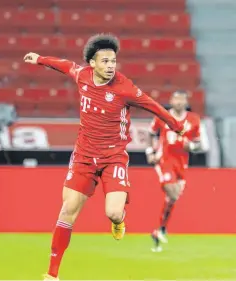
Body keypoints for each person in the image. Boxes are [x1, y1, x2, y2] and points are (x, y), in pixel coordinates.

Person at [23, 33, 185, 281]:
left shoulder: (124, 87)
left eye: (114, 61)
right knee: (67, 210)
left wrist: (175, 125)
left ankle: (119, 220)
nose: (111, 66)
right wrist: (40, 59)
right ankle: (52, 274)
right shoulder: (82, 76)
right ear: (92, 64)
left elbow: (152, 105)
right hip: (84, 156)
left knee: (113, 213)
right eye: (106, 61)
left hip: (114, 157)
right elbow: (64, 65)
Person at [145, 90, 205, 252]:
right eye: (176, 99)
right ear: (171, 101)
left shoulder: (193, 119)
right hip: (165, 160)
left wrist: (191, 146)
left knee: (173, 197)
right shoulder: (162, 115)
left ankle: (160, 230)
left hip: (182, 163)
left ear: (186, 102)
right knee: (172, 193)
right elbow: (150, 133)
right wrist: (151, 152)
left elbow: (198, 143)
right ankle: (161, 229)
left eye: (181, 99)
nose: (178, 102)